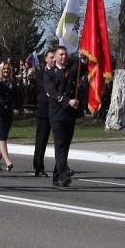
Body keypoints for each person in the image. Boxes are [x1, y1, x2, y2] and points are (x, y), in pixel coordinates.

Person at [44, 46, 80, 188]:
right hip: (57, 114)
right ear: (55, 56)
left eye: (65, 54)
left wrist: (83, 58)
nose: (64, 57)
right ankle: (63, 173)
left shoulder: (70, 70)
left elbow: (80, 68)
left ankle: (56, 178)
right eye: (61, 55)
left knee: (66, 145)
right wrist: (67, 101)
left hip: (69, 115)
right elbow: (52, 92)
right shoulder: (50, 73)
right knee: (59, 145)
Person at [0, 62, 21, 171]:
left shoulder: (13, 82)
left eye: (8, 69)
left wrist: (20, 109)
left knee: (3, 138)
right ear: (0, 70)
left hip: (8, 113)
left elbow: (16, 97)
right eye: (4, 69)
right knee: (1, 136)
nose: (6, 71)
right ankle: (7, 160)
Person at [33, 50, 54, 177]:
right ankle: (38, 166)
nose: (53, 60)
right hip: (44, 110)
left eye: (54, 57)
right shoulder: (41, 73)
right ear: (46, 59)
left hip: (57, 111)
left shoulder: (59, 72)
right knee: (41, 140)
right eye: (51, 57)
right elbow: (45, 89)